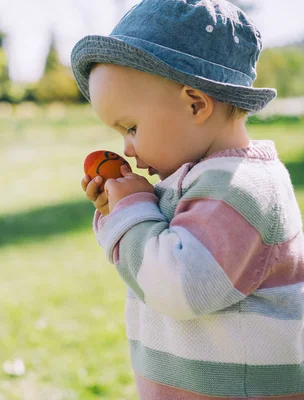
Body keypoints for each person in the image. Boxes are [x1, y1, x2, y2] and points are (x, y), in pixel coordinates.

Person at [71, 0, 304, 399]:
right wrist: (118, 213)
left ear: (196, 103)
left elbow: (181, 285)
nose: (126, 148)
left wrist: (133, 213)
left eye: (131, 127)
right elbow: (159, 250)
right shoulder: (203, 179)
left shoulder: (241, 185)